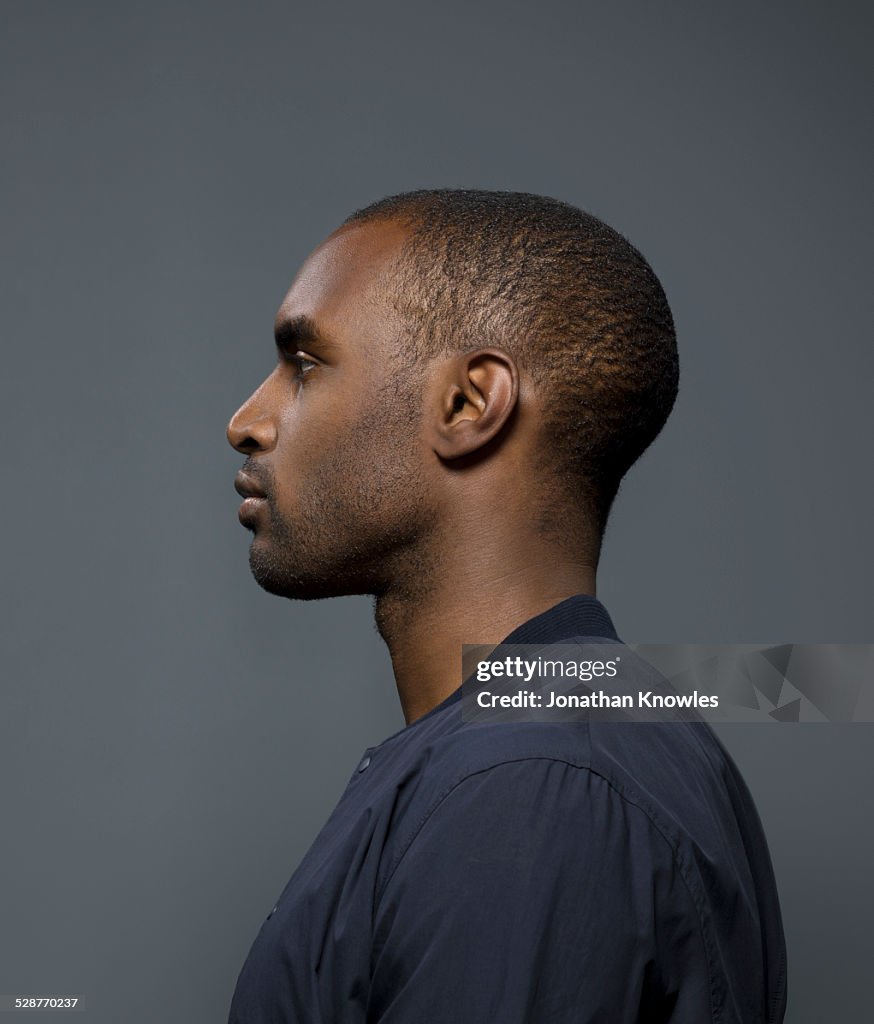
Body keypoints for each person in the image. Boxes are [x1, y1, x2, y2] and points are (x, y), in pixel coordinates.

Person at [225, 189, 787, 1023]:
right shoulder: (575, 737)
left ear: (467, 405)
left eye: (305, 366)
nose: (249, 421)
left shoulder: (528, 782)